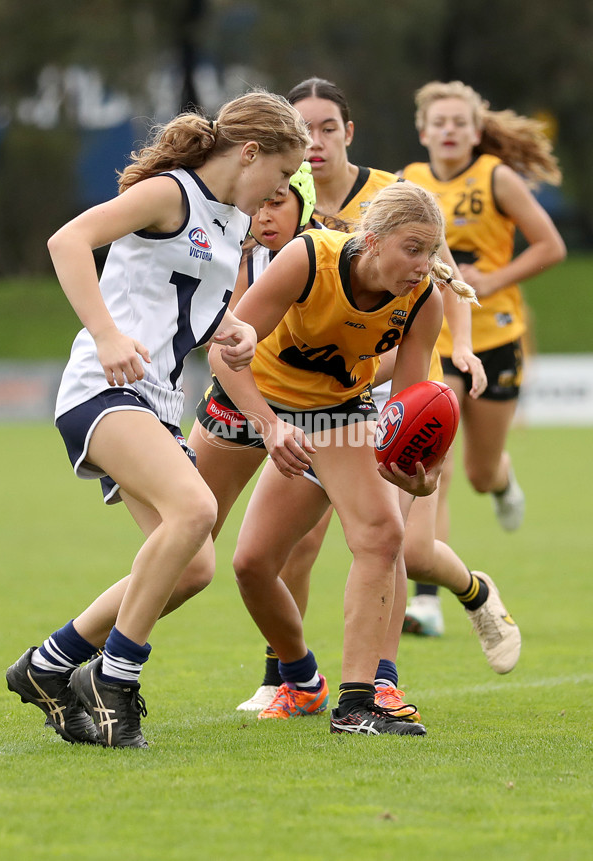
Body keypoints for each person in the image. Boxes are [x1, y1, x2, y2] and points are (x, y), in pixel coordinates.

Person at [5, 90, 310, 748]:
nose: (279, 194)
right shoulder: (173, 193)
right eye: (281, 177)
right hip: (102, 389)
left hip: (154, 404)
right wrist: (106, 334)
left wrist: (232, 330)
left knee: (193, 565)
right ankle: (114, 679)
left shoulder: (231, 222)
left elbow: (184, 299)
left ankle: (50, 665)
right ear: (250, 152)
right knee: (197, 509)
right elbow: (69, 240)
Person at [238, 77, 515, 711]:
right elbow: (242, 316)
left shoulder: (394, 198)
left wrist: (461, 347)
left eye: (327, 128)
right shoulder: (280, 198)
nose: (313, 141)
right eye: (301, 130)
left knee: (398, 543)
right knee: (280, 551)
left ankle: (385, 674)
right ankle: (286, 677)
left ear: (347, 132)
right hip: (299, 388)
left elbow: (441, 280)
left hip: (368, 384)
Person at [208, 181, 478, 736]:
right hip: (250, 399)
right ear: (373, 241)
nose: (423, 265)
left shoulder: (423, 299)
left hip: (336, 413)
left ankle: (358, 704)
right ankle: (300, 678)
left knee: (382, 533)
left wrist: (414, 474)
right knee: (238, 562)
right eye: (413, 249)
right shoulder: (308, 258)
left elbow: (405, 406)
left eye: (431, 252)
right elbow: (223, 350)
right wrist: (269, 424)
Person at [402, 80, 566, 635]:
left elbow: (551, 246)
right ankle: (427, 598)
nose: (448, 130)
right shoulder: (410, 181)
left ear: (476, 132)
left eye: (458, 122)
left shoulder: (496, 177)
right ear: (423, 131)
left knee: (477, 472)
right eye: (438, 122)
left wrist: (493, 280)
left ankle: (502, 481)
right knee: (436, 468)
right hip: (438, 341)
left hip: (495, 335)